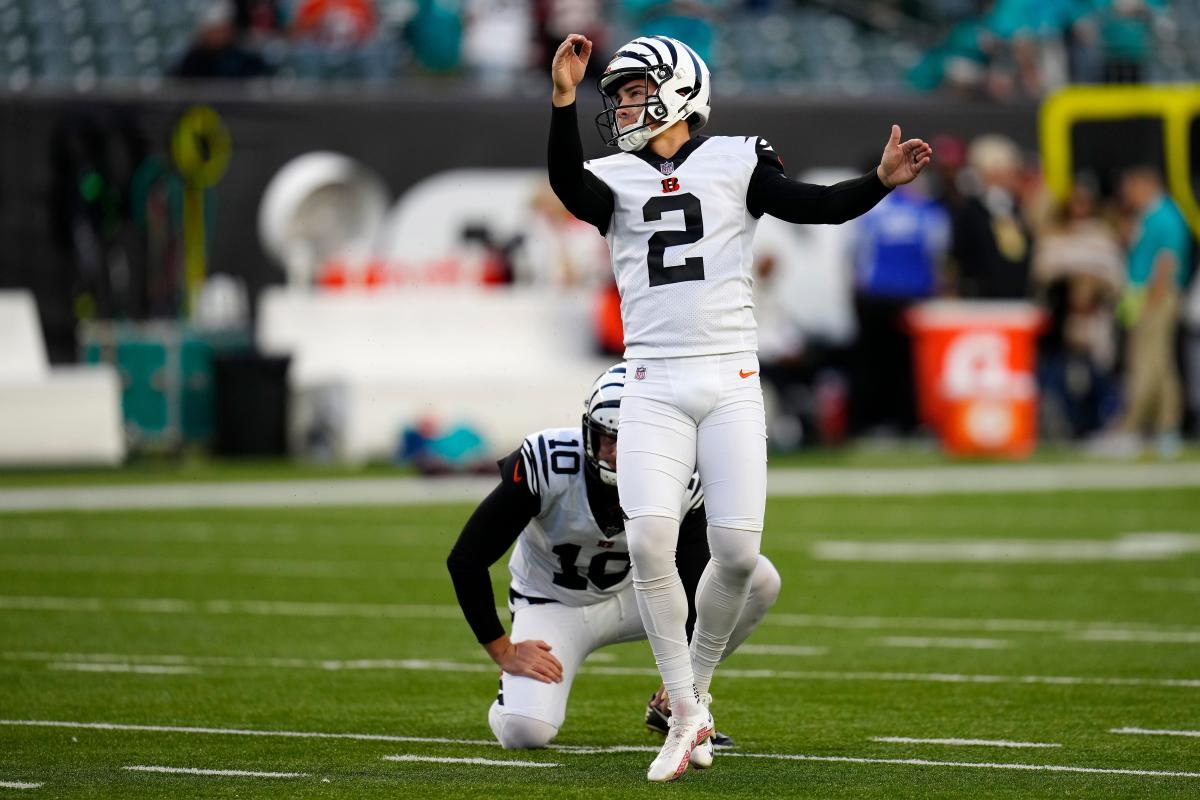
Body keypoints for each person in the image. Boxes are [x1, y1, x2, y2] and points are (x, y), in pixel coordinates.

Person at [547, 33, 931, 780]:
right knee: (653, 541)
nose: (622, 104)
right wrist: (562, 101)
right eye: (617, 93)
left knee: (738, 556)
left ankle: (691, 690)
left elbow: (815, 208)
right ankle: (687, 713)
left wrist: (877, 182)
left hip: (729, 379)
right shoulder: (615, 177)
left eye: (633, 90)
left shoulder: (736, 159)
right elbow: (568, 187)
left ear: (679, 91)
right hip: (652, 379)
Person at [446, 364, 781, 762]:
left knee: (755, 578)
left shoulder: (683, 481)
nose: (618, 454)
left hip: (638, 596)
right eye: (608, 438)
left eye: (632, 440)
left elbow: (695, 581)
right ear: (588, 431)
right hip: (553, 605)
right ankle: (513, 699)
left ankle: (678, 705)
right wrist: (503, 650)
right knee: (525, 730)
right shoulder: (548, 463)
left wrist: (681, 683)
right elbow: (466, 559)